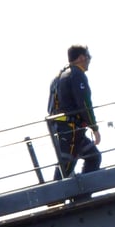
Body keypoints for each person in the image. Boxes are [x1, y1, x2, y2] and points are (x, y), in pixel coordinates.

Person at [47, 44, 102, 182]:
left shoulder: (58, 76)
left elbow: (50, 108)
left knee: (93, 157)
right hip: (71, 129)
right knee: (66, 166)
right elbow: (84, 104)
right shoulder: (77, 74)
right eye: (89, 57)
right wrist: (94, 127)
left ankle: (82, 194)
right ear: (82, 57)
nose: (89, 60)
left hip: (65, 128)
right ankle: (56, 199)